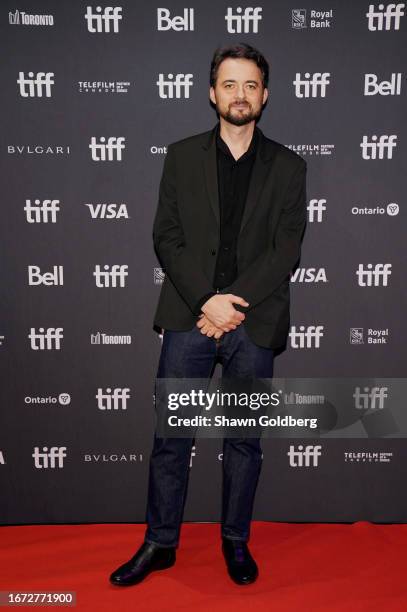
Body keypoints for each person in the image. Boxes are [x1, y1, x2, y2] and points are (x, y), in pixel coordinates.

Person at [110, 42, 307, 587]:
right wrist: (206, 302)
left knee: (244, 441)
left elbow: (286, 249)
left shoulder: (291, 167)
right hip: (187, 319)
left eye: (249, 85)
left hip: (254, 323)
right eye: (229, 84)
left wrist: (231, 307)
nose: (239, 94)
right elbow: (166, 239)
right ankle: (160, 542)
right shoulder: (179, 156)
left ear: (264, 96)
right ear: (211, 93)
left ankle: (235, 541)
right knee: (172, 437)